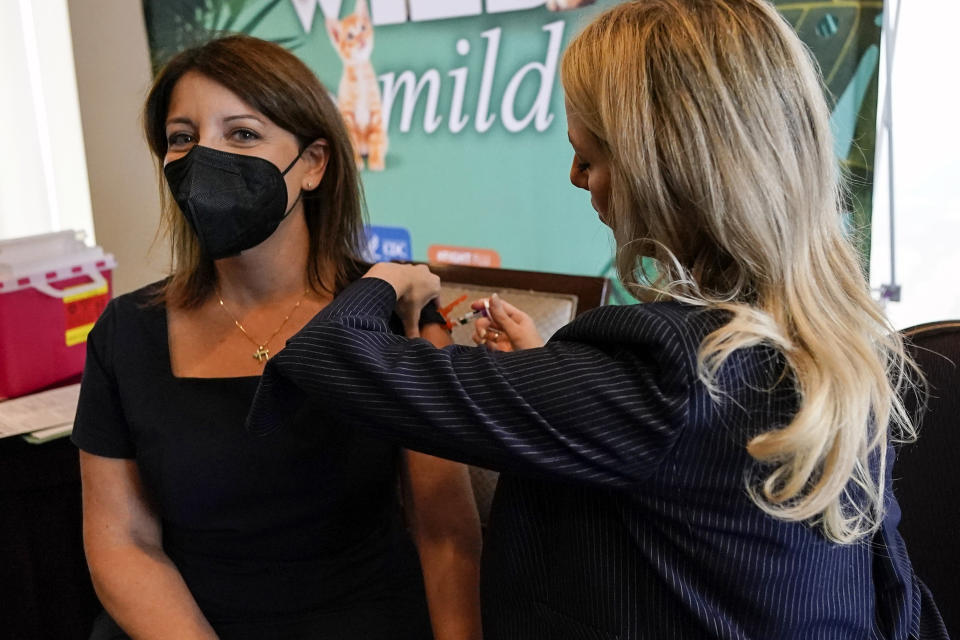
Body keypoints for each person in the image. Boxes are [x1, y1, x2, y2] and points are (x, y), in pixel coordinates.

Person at [245, 1, 951, 639]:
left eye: (591, 155)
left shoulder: (670, 370)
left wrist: (386, 280)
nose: (578, 179)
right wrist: (555, 372)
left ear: (666, 168)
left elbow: (329, 352)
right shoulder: (835, 340)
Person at [72, 35, 482, 640]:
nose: (203, 157)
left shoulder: (392, 311)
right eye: (183, 138)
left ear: (313, 164)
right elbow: (124, 544)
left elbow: (445, 530)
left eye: (241, 134)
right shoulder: (125, 333)